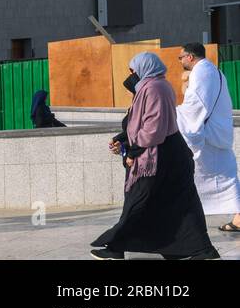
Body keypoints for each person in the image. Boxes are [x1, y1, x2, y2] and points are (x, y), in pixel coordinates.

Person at [91, 53, 220, 259]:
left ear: (145, 68)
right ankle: (201, 250)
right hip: (168, 153)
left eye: (133, 70)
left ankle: (115, 247)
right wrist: (123, 140)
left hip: (161, 155)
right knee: (177, 204)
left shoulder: (154, 88)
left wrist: (133, 150)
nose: (131, 75)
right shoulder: (154, 86)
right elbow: (140, 123)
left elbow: (153, 129)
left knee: (139, 200)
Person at [176, 42, 240, 231]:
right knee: (227, 176)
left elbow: (196, 106)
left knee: (191, 176)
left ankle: (185, 220)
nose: (180, 61)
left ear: (190, 57)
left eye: (181, 57)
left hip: (207, 136)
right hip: (217, 134)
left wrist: (173, 114)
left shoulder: (202, 72)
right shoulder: (213, 71)